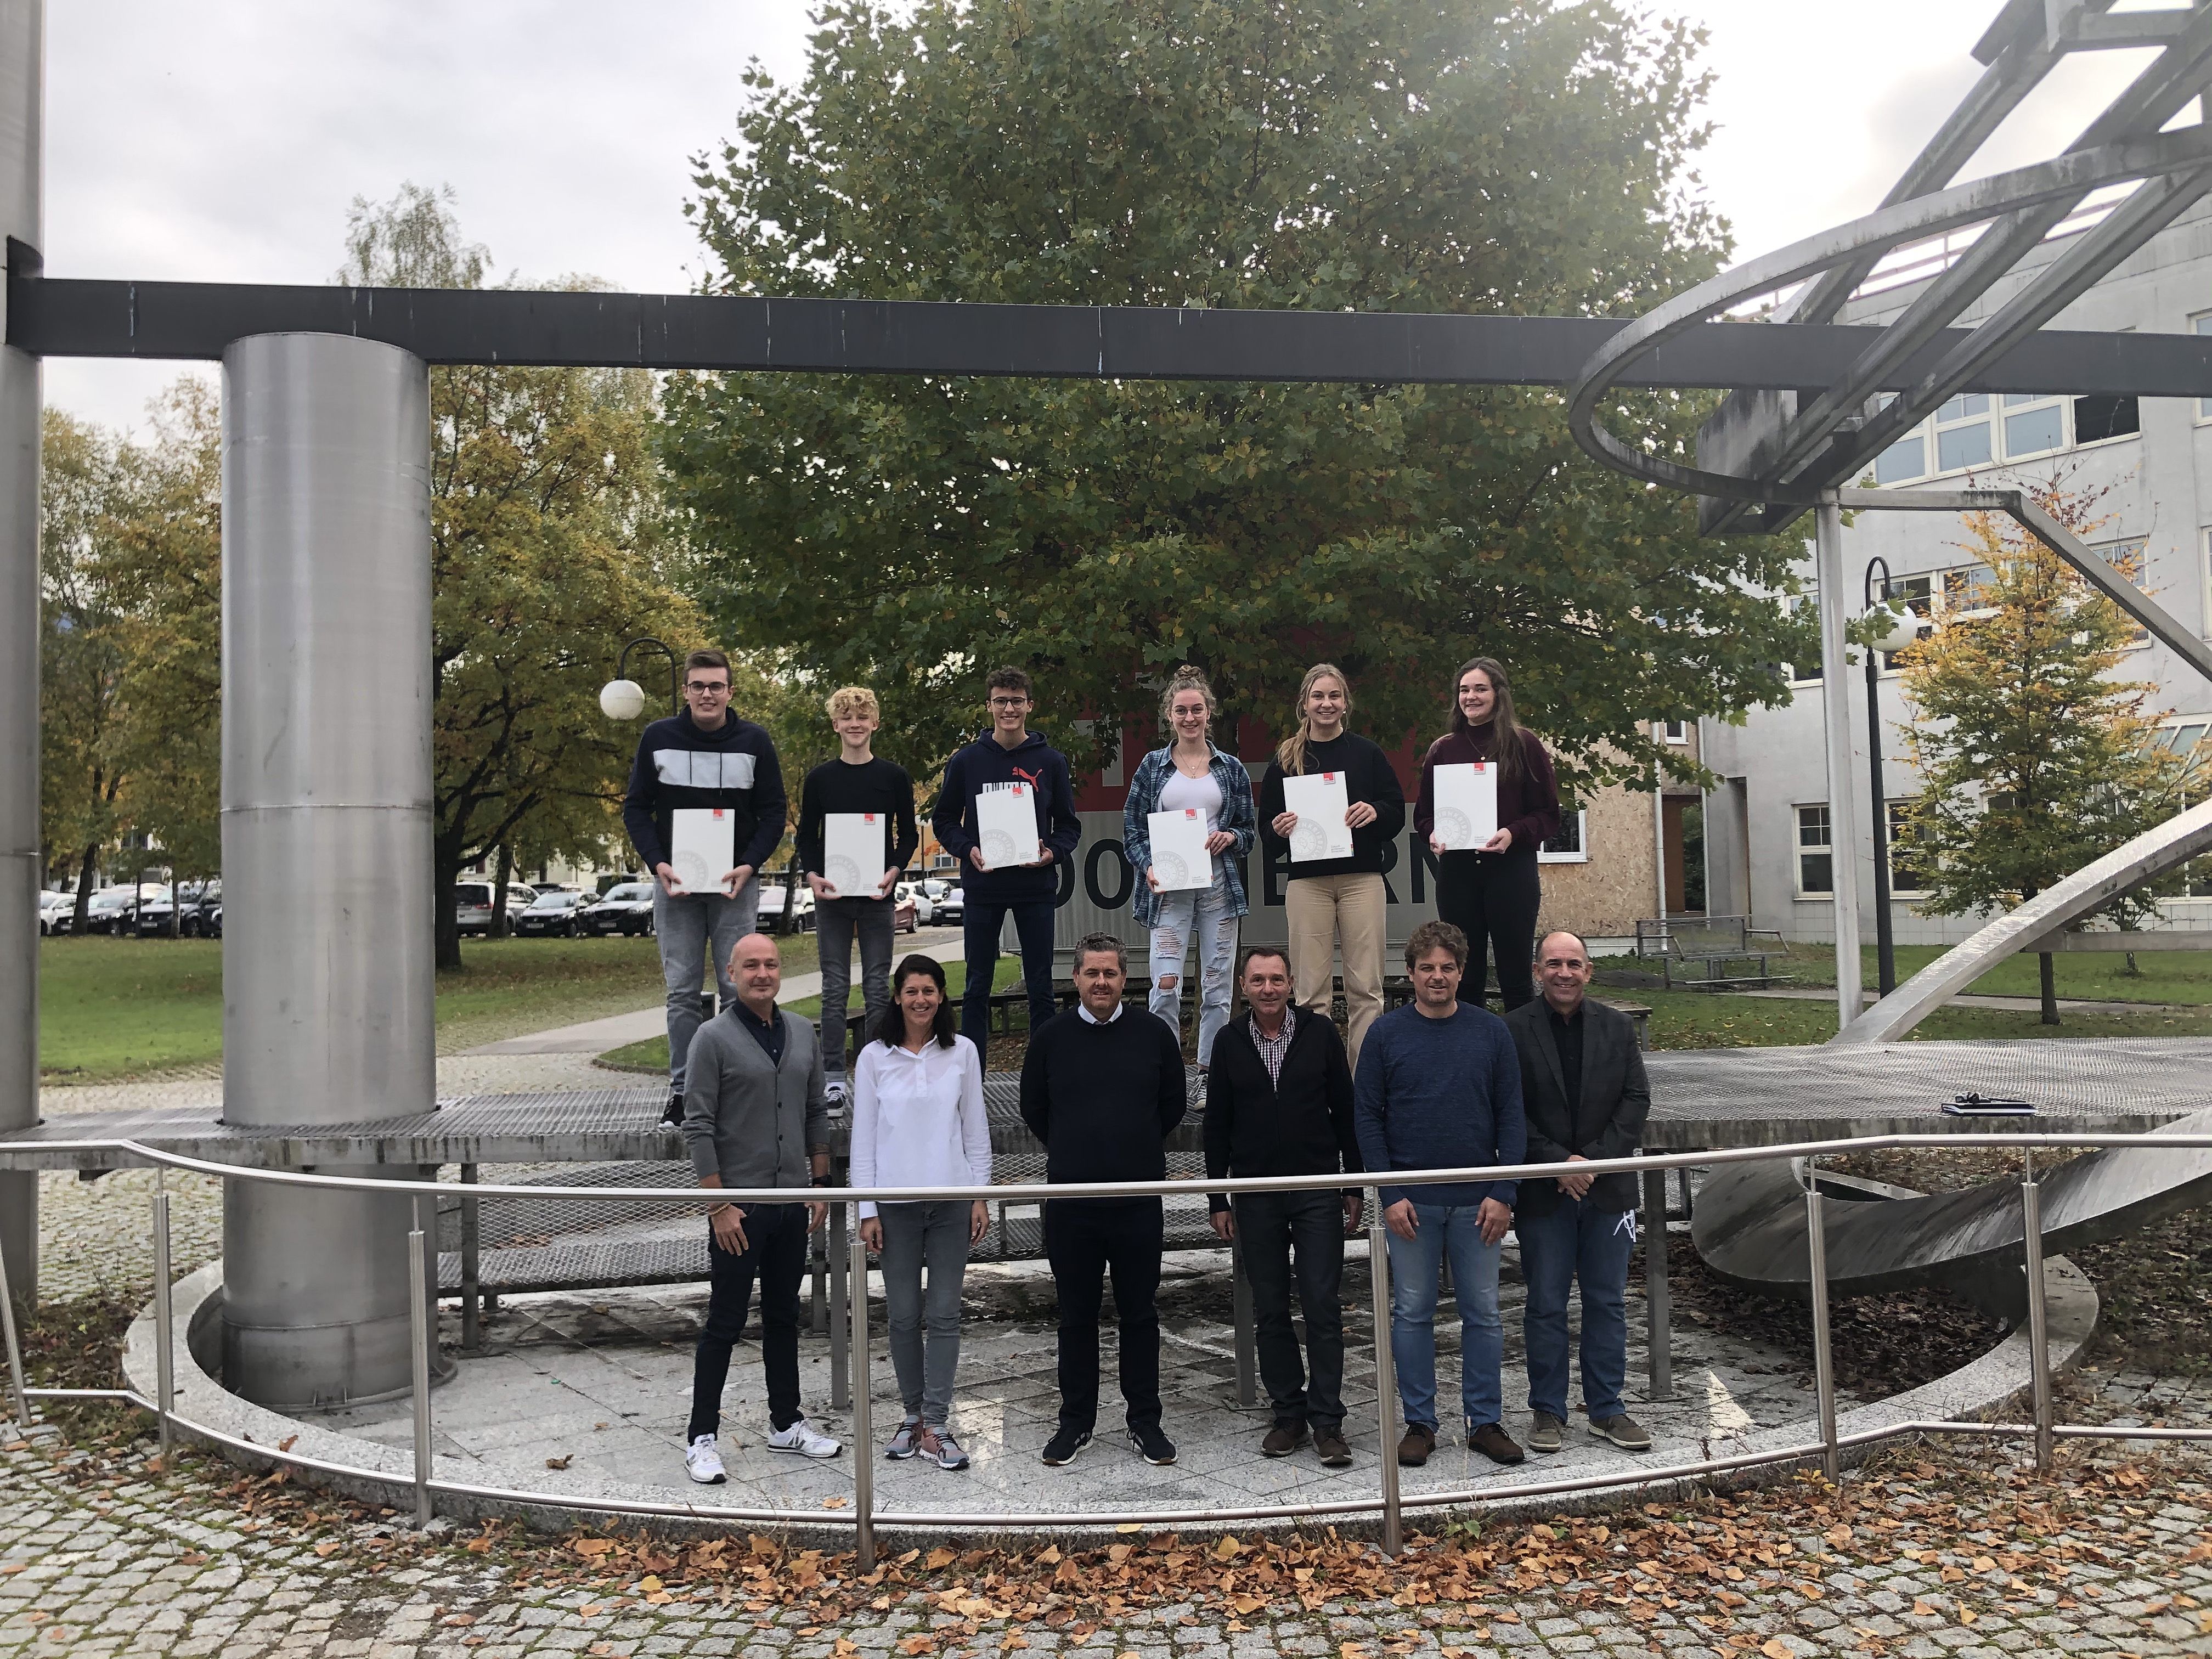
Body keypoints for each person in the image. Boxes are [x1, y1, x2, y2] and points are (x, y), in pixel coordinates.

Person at [1355, 919, 1527, 1469]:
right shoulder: (1385, 1035)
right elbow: (1368, 1119)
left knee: (1483, 1313)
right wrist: (1390, 1193)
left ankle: (1486, 1421)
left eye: (1447, 968)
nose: (1437, 976)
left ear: (1461, 972)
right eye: (1426, 967)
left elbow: (1512, 1118)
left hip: (1480, 1205)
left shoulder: (1491, 1032)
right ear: (1410, 974)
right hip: (1412, 1205)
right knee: (1411, 1313)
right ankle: (1420, 1423)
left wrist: (1505, 1192)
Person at [1019, 933, 1187, 1469]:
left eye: (1110, 973)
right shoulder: (1050, 1038)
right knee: (1076, 1317)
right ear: (1076, 979)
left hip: (1138, 1199)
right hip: (1073, 1202)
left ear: (1124, 978)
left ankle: (1145, 1421)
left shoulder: (1153, 1034)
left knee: (1140, 1314)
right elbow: (1034, 1108)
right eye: (1091, 973)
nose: (1101, 982)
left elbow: (1173, 1105)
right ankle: (1076, 1422)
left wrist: (1130, 1147)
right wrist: (1078, 1150)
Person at [679, 933, 839, 1482]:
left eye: (771, 964)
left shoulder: (800, 1032)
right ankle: (701, 1437)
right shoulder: (712, 1038)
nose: (762, 973)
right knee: (724, 1321)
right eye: (751, 965)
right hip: (739, 1209)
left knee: (783, 1318)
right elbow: (696, 1124)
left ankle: (786, 1421)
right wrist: (718, 1203)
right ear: (731, 972)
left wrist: (819, 1182)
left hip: (790, 1203)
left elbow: (815, 1109)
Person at [1204, 945, 1362, 1466]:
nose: (1268, 989)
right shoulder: (1228, 1042)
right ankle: (1288, 1414)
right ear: (1243, 987)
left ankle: (1327, 1421)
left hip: (1317, 1190)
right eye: (1258, 980)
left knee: (1322, 1303)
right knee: (1270, 1308)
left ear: (1291, 984)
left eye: (1277, 979)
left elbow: (1345, 1110)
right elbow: (1217, 1123)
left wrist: (1353, 1185)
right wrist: (1217, 1196)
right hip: (1256, 1194)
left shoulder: (1319, 1035)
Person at [622, 648, 788, 1126]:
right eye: (699, 686)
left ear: (730, 692)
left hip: (735, 885)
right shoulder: (658, 737)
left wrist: (750, 864)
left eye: (716, 686)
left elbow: (774, 811)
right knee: (682, 994)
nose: (707, 694)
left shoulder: (755, 742)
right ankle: (683, 1091)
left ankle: (743, 1087)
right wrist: (658, 863)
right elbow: (637, 808)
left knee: (743, 989)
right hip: (677, 887)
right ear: (686, 691)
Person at [1503, 930, 1654, 1455]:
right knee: (1545, 1303)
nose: (1563, 973)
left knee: (1607, 1302)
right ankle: (1548, 1410)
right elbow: (1508, 1110)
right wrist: (1556, 1164)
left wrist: (1589, 1162)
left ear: (1589, 971)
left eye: (1574, 964)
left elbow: (1636, 1099)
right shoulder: (1513, 1030)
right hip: (1545, 1193)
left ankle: (1607, 1409)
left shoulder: (1617, 1027)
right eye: (1553, 964)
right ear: (1536, 970)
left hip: (1607, 1189)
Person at [852, 955, 992, 1471]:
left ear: (941, 996)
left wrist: (980, 1194)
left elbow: (975, 1131)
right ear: (897, 996)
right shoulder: (873, 1057)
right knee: (905, 1314)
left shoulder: (963, 1052)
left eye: (929, 991)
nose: (921, 1000)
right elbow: (863, 1139)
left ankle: (937, 1423)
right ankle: (911, 1417)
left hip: (952, 1203)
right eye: (911, 991)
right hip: (895, 1208)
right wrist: (867, 1209)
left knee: (946, 1314)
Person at [1257, 663, 1406, 1067]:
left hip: (1362, 880)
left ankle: (1364, 1082)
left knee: (1367, 990)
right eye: (1318, 697)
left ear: (1345, 704)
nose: (1327, 704)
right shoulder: (1287, 758)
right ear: (1304, 704)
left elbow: (1396, 811)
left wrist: (1375, 812)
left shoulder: (1367, 753)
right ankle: (1317, 1081)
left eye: (1334, 696)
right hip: (1308, 883)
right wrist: (1279, 828)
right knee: (1310, 992)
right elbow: (1266, 834)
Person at [930, 667, 1082, 1052]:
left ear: (1030, 706)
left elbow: (1068, 826)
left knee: (1041, 986)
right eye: (1001, 701)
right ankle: (970, 1076)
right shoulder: (966, 762)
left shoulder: (1051, 762)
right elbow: (944, 820)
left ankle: (1043, 1079)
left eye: (1016, 701)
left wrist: (1052, 853)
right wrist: (968, 849)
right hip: (983, 886)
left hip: (1035, 887)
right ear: (989, 706)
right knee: (977, 985)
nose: (1008, 709)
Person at [1122, 665, 1257, 1069]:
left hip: (1218, 886)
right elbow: (1132, 829)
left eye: (1197, 709)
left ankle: (1208, 1073)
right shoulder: (1151, 767)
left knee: (1217, 989)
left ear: (1209, 713)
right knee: (1165, 987)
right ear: (1170, 716)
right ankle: (1164, 1074)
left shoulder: (1231, 768)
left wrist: (1230, 837)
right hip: (1168, 890)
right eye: (1182, 711)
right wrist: (1147, 865)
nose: (1190, 718)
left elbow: (1249, 830)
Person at [1413, 657, 1561, 1012]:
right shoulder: (1443, 750)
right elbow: (1424, 816)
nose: (1471, 697)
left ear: (1498, 694)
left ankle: (1520, 1062)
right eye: (1464, 690)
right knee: (1465, 976)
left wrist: (1513, 833)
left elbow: (1548, 815)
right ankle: (1471, 1059)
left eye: (1480, 689)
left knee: (1516, 977)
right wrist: (1433, 834)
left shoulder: (1524, 745)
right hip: (1458, 876)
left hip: (1511, 872)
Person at [795, 686, 922, 1096]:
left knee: (875, 987)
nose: (855, 724)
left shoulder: (894, 777)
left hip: (876, 897)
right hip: (832, 897)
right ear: (836, 724)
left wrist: (895, 870)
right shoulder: (820, 779)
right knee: (833, 988)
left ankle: (875, 1072)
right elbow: (807, 837)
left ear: (875, 723)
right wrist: (813, 875)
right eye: (847, 717)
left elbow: (907, 836)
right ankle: (833, 1077)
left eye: (862, 717)